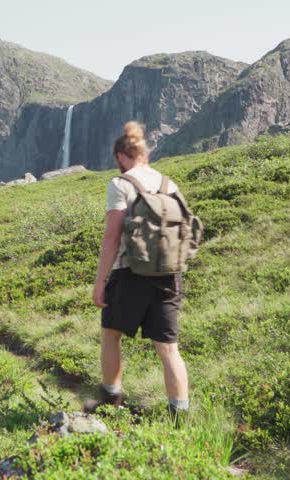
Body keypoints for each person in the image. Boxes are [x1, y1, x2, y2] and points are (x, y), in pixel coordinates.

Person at [88, 121, 189, 416]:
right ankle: (180, 417)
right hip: (169, 272)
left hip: (130, 272)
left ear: (121, 156)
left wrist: (100, 281)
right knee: (168, 348)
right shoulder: (169, 184)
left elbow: (112, 237)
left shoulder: (121, 184)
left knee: (111, 334)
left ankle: (110, 401)